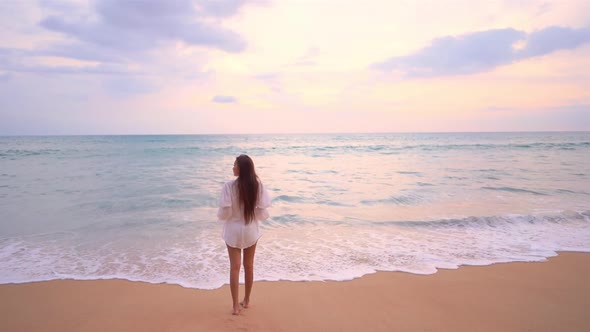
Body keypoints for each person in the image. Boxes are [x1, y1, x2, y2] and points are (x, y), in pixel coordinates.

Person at [217, 154, 271, 315]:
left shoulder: (228, 186)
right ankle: (246, 301)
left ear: (242, 168)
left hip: (233, 231)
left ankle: (235, 306)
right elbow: (262, 213)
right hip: (250, 230)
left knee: (234, 267)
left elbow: (224, 214)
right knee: (249, 266)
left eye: (235, 165)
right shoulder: (257, 186)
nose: (233, 167)